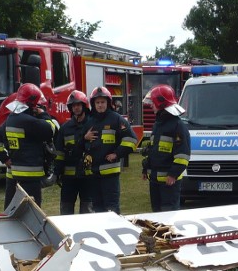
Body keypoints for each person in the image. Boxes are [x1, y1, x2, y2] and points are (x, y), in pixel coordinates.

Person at [0, 83, 57, 209]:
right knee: (32, 213)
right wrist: (43, 115)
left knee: (11, 211)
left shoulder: (11, 119)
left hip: (13, 175)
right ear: (32, 103)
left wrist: (4, 158)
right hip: (30, 177)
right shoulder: (29, 121)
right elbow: (51, 130)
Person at [84, 86, 138, 214]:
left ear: (108, 103)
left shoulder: (116, 119)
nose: (100, 105)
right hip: (94, 173)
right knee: (97, 209)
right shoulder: (90, 121)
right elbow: (81, 143)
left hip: (110, 174)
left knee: (111, 209)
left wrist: (117, 154)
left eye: (103, 102)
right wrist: (85, 138)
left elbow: (132, 140)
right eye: (97, 103)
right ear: (93, 104)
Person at [141, 85, 190, 212]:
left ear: (160, 103)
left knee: (169, 216)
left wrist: (173, 175)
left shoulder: (178, 126)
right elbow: (155, 151)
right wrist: (146, 168)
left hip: (169, 182)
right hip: (155, 180)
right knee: (157, 215)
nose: (151, 105)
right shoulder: (158, 124)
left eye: (153, 103)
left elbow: (183, 155)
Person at [53, 90, 94, 214]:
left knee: (87, 210)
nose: (76, 108)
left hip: (88, 176)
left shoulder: (92, 125)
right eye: (73, 105)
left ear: (84, 106)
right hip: (69, 177)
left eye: (78, 105)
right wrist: (57, 172)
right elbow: (59, 152)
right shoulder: (65, 128)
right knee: (66, 209)